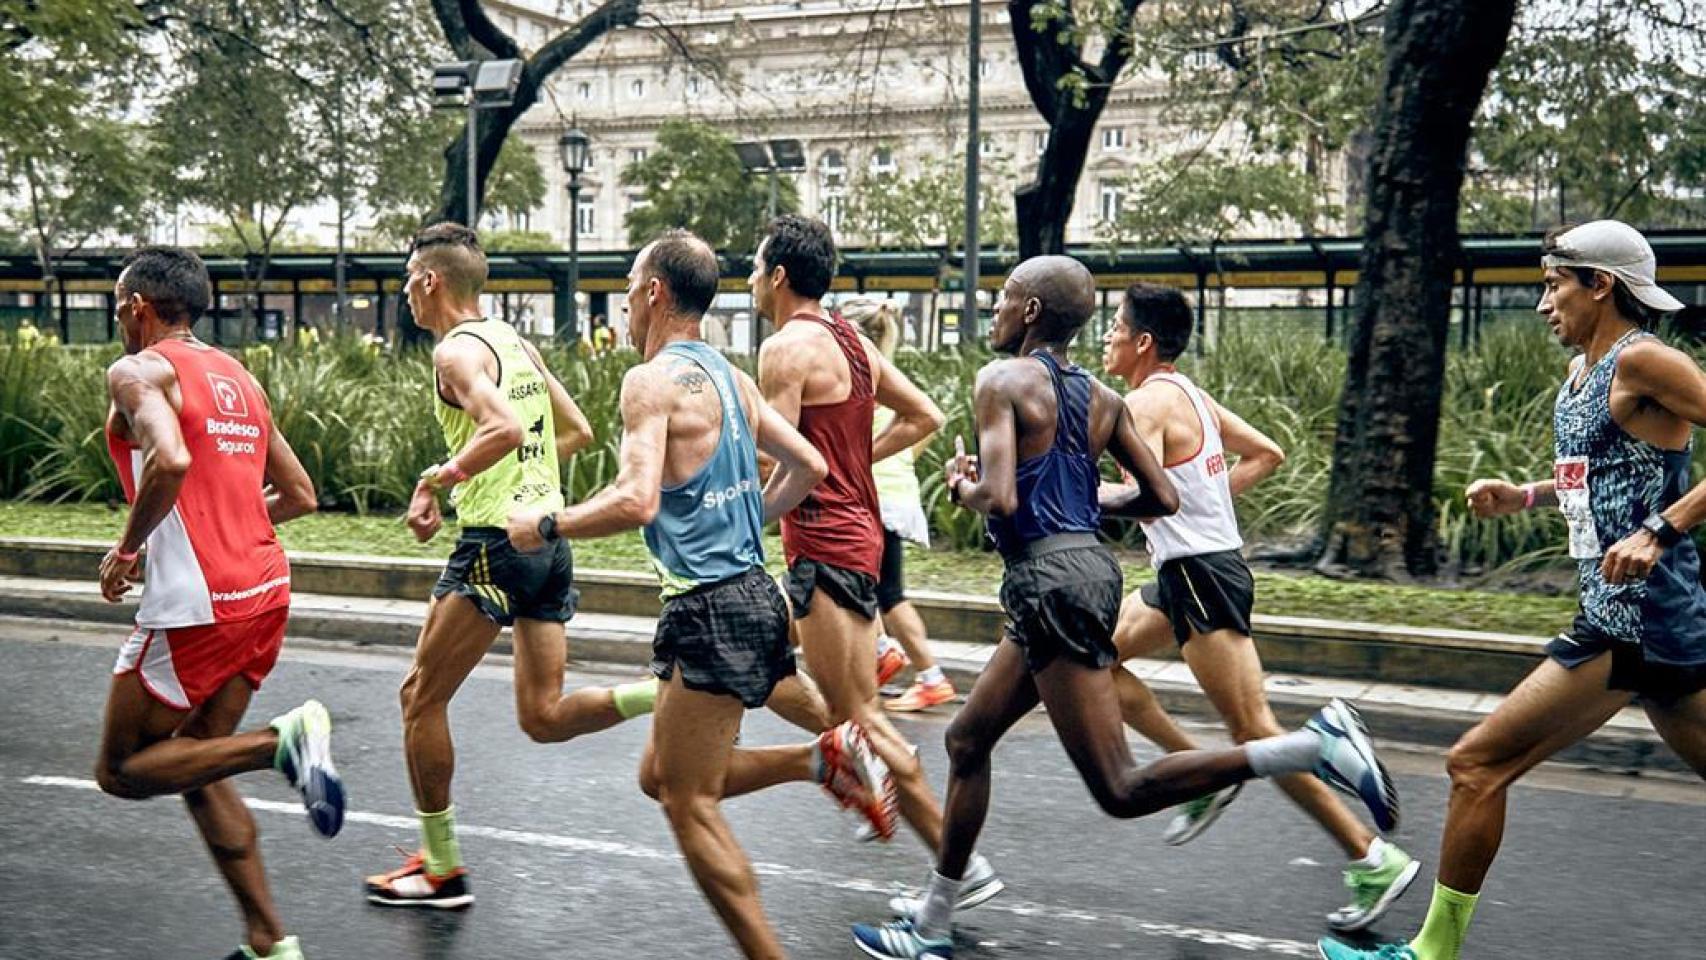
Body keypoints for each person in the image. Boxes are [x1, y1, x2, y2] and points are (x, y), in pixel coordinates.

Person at [852, 255, 1401, 960]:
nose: (994, 309)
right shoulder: (1101, 399)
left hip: (1049, 583)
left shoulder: (1002, 381)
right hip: (1083, 572)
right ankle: (932, 921)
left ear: (1030, 313)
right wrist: (1085, 503)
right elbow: (1161, 497)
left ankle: (1311, 747)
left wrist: (963, 486)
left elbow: (1001, 497)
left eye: (1005, 298)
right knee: (966, 740)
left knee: (1119, 788)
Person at [1319, 221, 1706, 960]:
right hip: (1635, 617)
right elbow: (1607, 476)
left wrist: (1660, 531)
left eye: (1555, 284)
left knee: (1475, 764)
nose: (1542, 304)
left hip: (1638, 620)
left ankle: (1430, 954)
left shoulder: (1647, 360)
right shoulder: (1582, 374)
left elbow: (1653, 498)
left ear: (1602, 285)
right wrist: (1525, 496)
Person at [507, 229, 896, 957]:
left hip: (708, 606)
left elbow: (637, 500)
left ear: (654, 292)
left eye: (627, 290)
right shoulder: (730, 376)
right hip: (757, 592)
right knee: (661, 772)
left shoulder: (649, 381)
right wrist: (748, 517)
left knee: (688, 801)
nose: (624, 307)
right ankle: (822, 759)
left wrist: (546, 524)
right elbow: (809, 463)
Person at [1098, 282, 1419, 931]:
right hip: (1190, 570)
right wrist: (1206, 505)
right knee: (1093, 659)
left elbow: (1145, 495)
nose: (1106, 335)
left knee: (1255, 732)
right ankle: (1203, 776)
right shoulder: (1192, 394)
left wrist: (1069, 495)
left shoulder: (1146, 402)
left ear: (1143, 342)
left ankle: (1371, 854)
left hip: (1201, 577)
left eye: (1115, 325)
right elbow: (1266, 453)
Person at [365, 223, 655, 909]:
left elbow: (503, 429)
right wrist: (523, 483)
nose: (405, 290)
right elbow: (575, 430)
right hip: (546, 545)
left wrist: (441, 480)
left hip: (494, 545)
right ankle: (664, 693)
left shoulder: (454, 353)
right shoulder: (511, 343)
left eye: (409, 277)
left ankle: (441, 869)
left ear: (432, 280)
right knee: (544, 715)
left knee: (419, 699)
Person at [97, 246, 342, 960]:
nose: (118, 319)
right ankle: (270, 941)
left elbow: (169, 460)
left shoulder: (138, 370)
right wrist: (235, 527)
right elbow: (299, 495)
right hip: (263, 592)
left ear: (139, 308)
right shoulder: (239, 379)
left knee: (121, 770)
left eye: (118, 306)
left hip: (194, 608)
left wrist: (129, 549)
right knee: (199, 763)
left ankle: (281, 743)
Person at [752, 215, 1004, 904]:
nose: (747, 278)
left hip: (825, 544)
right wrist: (852, 460)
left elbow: (779, 456)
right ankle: (876, 749)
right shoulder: (850, 339)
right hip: (857, 538)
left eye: (754, 266)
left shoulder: (786, 349)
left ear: (778, 276)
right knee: (840, 702)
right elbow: (922, 413)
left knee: (857, 716)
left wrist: (741, 505)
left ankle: (960, 869)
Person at [840, 297, 957, 712]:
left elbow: (930, 417)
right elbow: (929, 415)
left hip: (875, 495)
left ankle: (899, 659)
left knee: (873, 588)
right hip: (892, 493)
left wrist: (867, 455)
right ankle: (914, 668)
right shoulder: (883, 375)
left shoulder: (858, 375)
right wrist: (901, 455)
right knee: (883, 589)